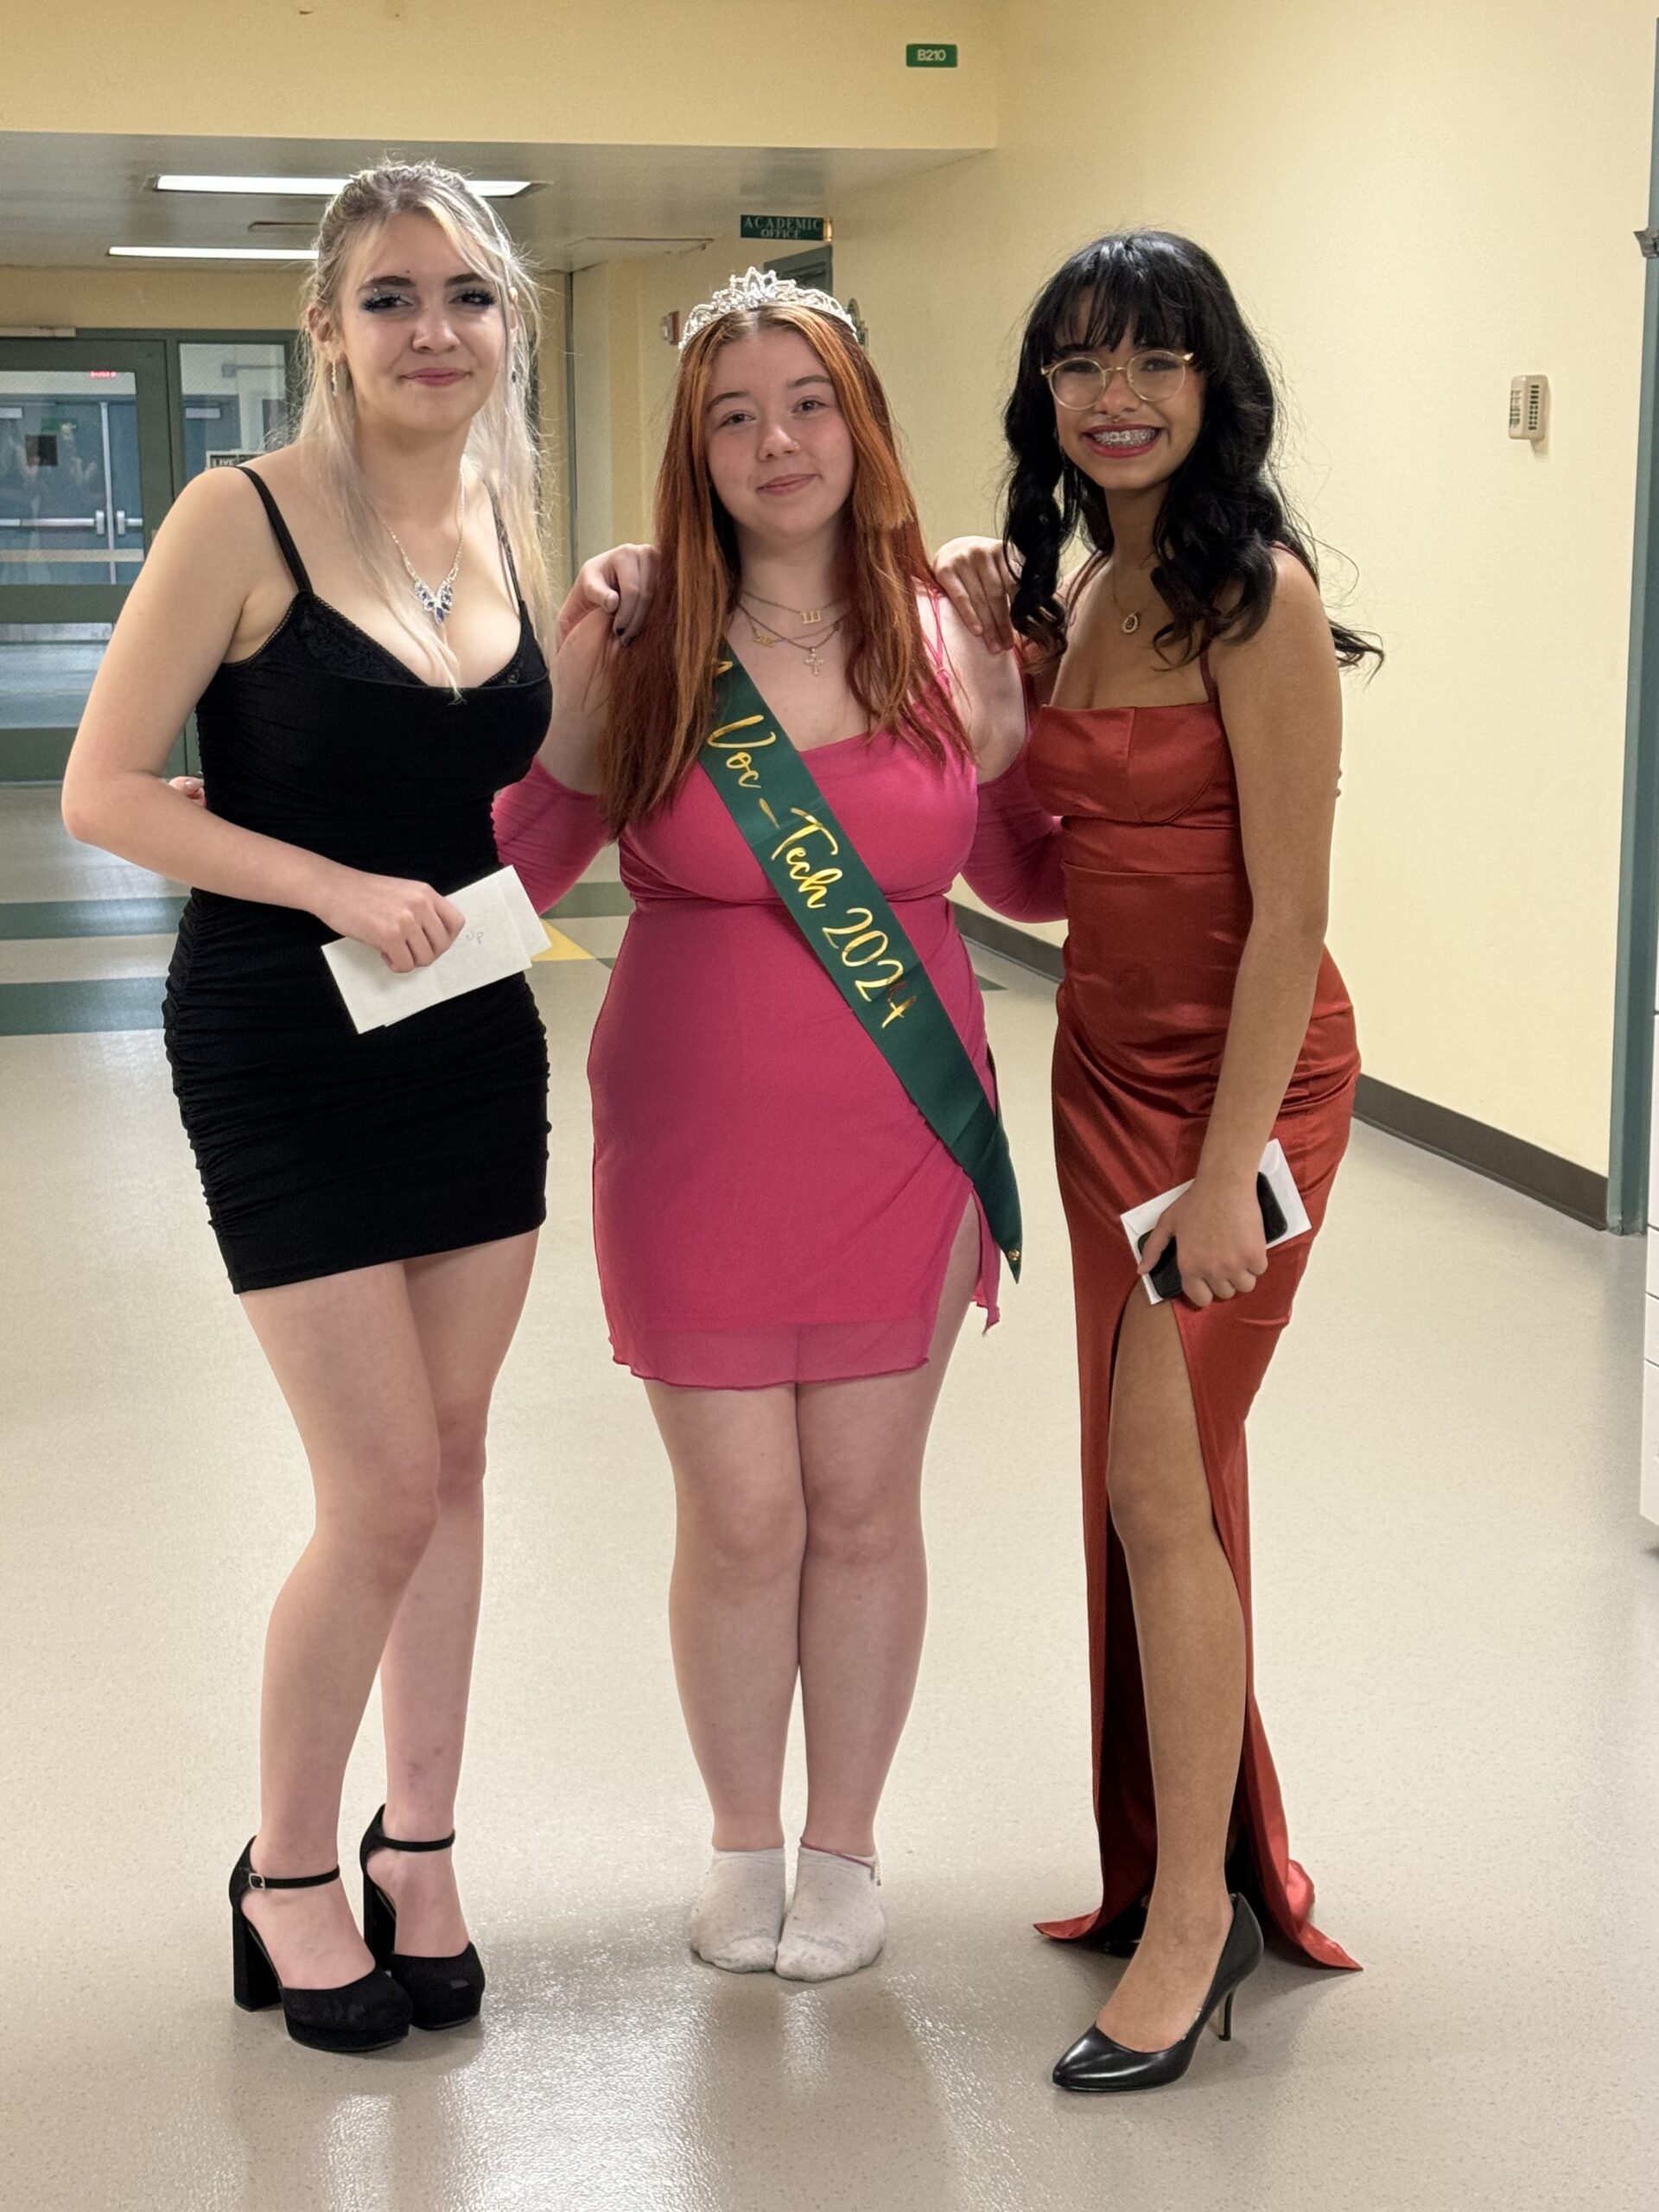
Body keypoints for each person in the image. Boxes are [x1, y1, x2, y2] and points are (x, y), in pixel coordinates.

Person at [60, 163, 557, 2053]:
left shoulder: (509, 519)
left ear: (504, 324)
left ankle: (416, 1839)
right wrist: (333, 884)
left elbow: (535, 779)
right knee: (381, 1490)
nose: (433, 329)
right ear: (327, 331)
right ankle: (284, 1868)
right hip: (282, 1031)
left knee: (462, 1462)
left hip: (465, 1030)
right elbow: (106, 791)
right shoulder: (238, 513)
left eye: (466, 296)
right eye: (389, 298)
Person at [494, 267, 1027, 1982]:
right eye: (734, 413)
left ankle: (847, 1840)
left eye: (807, 403)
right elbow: (523, 849)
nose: (776, 441)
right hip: (696, 1131)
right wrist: (296, 868)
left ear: (860, 425)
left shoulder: (955, 630)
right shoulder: (633, 632)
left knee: (865, 1505)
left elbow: (1042, 865)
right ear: (693, 447)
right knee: (741, 1513)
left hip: (905, 1121)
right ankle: (740, 1833)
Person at [947, 228, 1379, 2090]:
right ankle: (1165, 1860)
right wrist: (983, 674)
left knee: (1154, 1476)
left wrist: (1224, 1182)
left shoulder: (1253, 595)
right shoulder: (1086, 593)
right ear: (1046, 404)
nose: (1114, 398)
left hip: (1249, 1099)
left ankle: (1194, 1920)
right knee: (1161, 1483)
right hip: (1104, 1076)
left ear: (1217, 384)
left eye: (1153, 361)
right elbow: (1037, 873)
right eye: (1078, 368)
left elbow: (1290, 915)